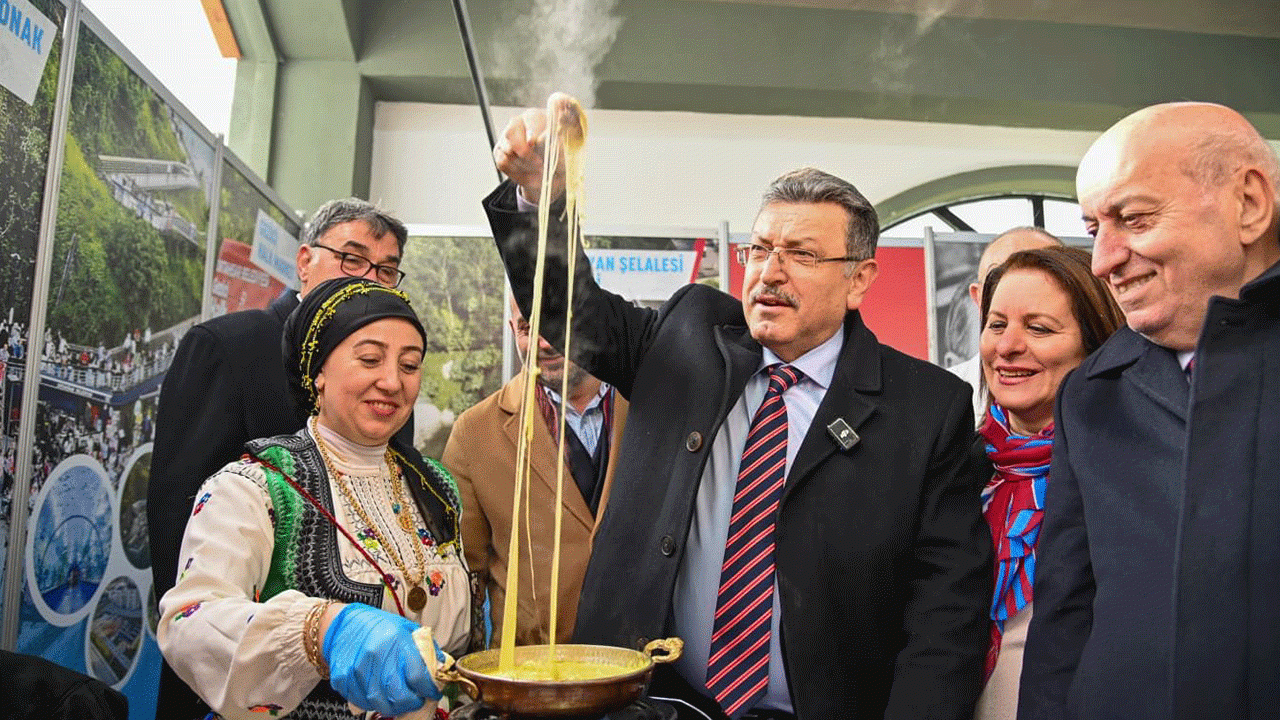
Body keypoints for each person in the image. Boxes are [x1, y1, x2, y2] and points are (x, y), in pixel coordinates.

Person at [485, 101, 993, 720]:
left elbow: (942, 621)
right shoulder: (690, 338)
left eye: (801, 254)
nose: (769, 273)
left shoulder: (924, 412)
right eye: (759, 249)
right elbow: (575, 314)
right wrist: (543, 200)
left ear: (860, 280)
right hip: (656, 705)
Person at [1019, 102, 1280, 720]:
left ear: (1248, 205)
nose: (1105, 260)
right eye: (1093, 231)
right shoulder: (1093, 392)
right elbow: (1065, 616)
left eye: (1133, 219)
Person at [157, 277, 470, 720]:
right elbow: (188, 622)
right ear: (318, 371)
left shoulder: (436, 486)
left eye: (410, 365)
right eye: (369, 359)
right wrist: (321, 630)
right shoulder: (256, 485)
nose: (392, 381)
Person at [148, 198, 410, 719]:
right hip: (239, 674)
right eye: (352, 259)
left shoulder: (391, 379)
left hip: (366, 684)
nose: (368, 280)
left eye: (386, 270)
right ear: (305, 260)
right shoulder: (229, 346)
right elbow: (175, 513)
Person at [969, 246, 1122, 720]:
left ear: (1094, 345)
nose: (1008, 346)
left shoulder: (1124, 478)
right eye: (997, 324)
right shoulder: (951, 463)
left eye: (1039, 328)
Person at [442, 298, 628, 647]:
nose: (545, 341)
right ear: (513, 330)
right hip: (530, 678)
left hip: (644, 666)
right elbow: (464, 574)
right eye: (528, 327)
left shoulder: (653, 410)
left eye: (558, 318)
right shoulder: (475, 433)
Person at [947, 227, 1061, 424]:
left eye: (1038, 276)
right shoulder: (943, 397)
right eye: (998, 279)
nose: (1008, 346)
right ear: (978, 297)